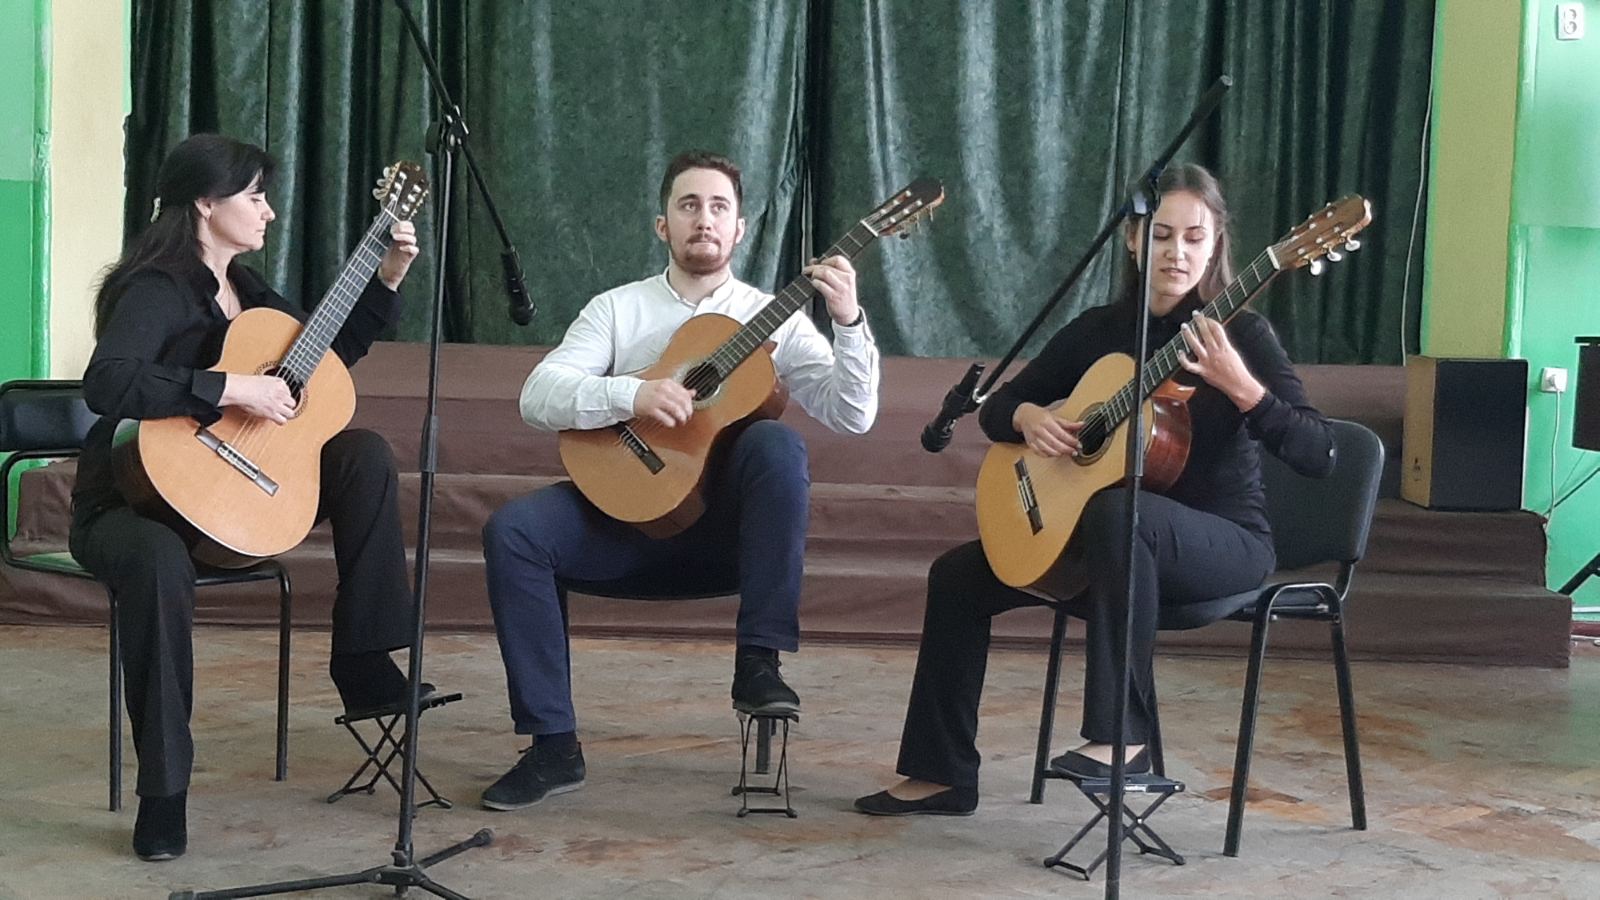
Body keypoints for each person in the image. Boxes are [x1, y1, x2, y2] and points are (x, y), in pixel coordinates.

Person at [854, 164, 1335, 816]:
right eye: (1161, 235)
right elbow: (1001, 409)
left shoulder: (1241, 337)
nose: (1177, 252)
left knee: (1119, 511)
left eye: (1194, 238)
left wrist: (1241, 386)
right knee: (958, 576)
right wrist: (1029, 417)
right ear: (1134, 240)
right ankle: (942, 775)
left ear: (1216, 244)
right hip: (1112, 547)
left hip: (1224, 543)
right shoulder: (1100, 331)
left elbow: (1319, 453)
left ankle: (1122, 740)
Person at [479, 150, 880, 811]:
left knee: (776, 442)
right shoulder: (617, 308)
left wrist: (849, 321)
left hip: (728, 538)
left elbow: (853, 415)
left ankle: (759, 664)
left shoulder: (772, 317)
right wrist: (631, 396)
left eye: (719, 207)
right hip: (624, 522)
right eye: (689, 205)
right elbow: (537, 396)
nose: (704, 219)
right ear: (662, 224)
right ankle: (552, 745)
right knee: (514, 531)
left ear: (740, 229)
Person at [70, 134, 423, 860]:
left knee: (362, 453)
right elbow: (108, 381)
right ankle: (164, 793)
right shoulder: (155, 288)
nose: (269, 211)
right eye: (255, 196)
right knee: (159, 560)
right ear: (206, 203)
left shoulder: (252, 292)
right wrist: (229, 387)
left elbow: (321, 363)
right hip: (129, 505)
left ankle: (363, 661)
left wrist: (385, 278)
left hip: (231, 495)